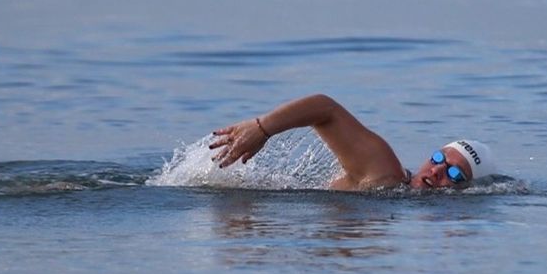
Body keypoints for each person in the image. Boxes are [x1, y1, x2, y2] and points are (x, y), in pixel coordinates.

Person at [210, 93, 497, 191]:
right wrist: (261, 128)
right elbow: (326, 108)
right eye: (438, 159)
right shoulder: (386, 173)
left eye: (454, 173)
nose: (437, 171)